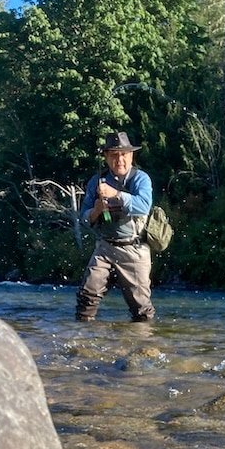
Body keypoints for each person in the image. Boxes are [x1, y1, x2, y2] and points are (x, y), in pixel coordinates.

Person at [76, 131, 156, 322]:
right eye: (114, 155)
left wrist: (116, 194)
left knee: (141, 310)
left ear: (131, 156)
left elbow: (143, 205)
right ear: (106, 157)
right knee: (86, 297)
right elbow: (84, 218)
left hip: (134, 249)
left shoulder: (141, 179)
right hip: (105, 247)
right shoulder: (96, 181)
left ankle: (144, 339)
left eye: (124, 154)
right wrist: (96, 210)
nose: (119, 159)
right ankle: (83, 336)